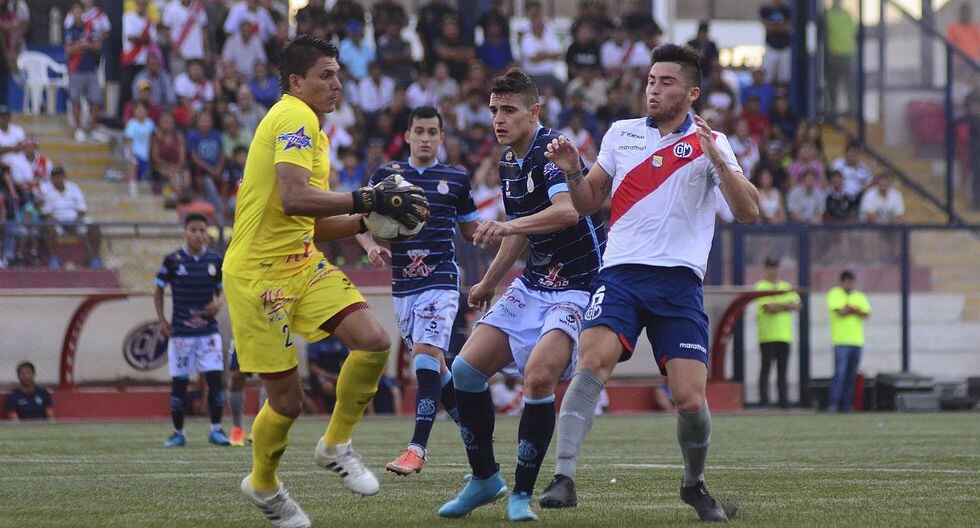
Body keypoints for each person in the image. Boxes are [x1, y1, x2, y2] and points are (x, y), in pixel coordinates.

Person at [541, 44, 758, 521]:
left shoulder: (711, 141)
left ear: (692, 93)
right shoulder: (621, 134)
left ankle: (694, 485)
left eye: (666, 82)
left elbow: (748, 211)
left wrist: (717, 159)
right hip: (621, 273)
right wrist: (574, 169)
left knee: (690, 397)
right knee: (591, 362)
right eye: (651, 81)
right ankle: (563, 477)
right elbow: (587, 202)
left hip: (679, 282)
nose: (654, 90)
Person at [223, 35, 427, 527]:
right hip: (259, 275)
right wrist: (368, 199)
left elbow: (311, 224)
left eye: (338, 74)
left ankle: (335, 445)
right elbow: (294, 197)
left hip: (301, 261)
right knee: (287, 403)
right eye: (326, 75)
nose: (337, 83)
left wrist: (368, 221)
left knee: (374, 342)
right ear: (296, 82)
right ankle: (263, 486)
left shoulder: (315, 131)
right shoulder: (293, 116)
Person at [436, 69, 606, 523]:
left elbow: (567, 213)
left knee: (538, 378)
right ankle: (484, 478)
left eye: (509, 110)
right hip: (534, 283)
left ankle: (521, 495)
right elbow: (522, 233)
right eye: (494, 109)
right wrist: (490, 282)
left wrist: (507, 225)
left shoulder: (552, 152)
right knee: (465, 371)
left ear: (534, 112)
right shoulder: (510, 161)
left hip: (578, 286)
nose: (498, 118)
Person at [355, 106, 479, 476]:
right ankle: (478, 445)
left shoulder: (456, 179)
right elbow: (359, 220)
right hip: (403, 286)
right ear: (407, 136)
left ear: (441, 137)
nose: (425, 138)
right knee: (437, 369)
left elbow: (471, 230)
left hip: (441, 281)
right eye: (419, 131)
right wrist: (370, 246)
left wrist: (505, 231)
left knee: (424, 357)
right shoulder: (387, 177)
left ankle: (416, 449)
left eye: (432, 132)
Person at [154, 213, 229, 447]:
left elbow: (222, 289)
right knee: (180, 383)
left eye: (201, 231)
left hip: (208, 334)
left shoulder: (215, 260)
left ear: (206, 234)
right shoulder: (173, 260)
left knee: (215, 380)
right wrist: (162, 320)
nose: (198, 235)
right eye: (193, 230)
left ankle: (216, 429)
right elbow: (158, 289)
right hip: (182, 336)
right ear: (185, 232)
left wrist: (218, 302)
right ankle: (178, 433)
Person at [754, 258, 800, 408]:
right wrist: (786, 305)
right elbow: (768, 308)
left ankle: (783, 401)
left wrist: (778, 305)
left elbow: (797, 305)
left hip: (784, 335)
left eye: (775, 268)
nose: (773, 271)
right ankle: (764, 401)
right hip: (767, 335)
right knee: (766, 369)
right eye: (770, 268)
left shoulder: (786, 286)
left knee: (783, 370)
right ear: (765, 269)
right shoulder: (761, 286)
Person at [64, 0, 110, 143]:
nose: (78, 14)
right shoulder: (70, 30)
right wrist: (81, 45)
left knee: (95, 100)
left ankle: (93, 129)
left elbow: (97, 46)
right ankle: (78, 129)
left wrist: (83, 45)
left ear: (83, 13)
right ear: (72, 13)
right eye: (75, 11)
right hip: (76, 70)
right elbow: (69, 51)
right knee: (76, 100)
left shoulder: (90, 28)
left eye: (80, 11)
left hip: (90, 70)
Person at [39, 167, 103, 268]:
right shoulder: (45, 189)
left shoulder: (73, 188)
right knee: (48, 228)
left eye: (60, 176)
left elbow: (82, 209)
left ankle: (94, 257)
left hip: (74, 220)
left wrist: (75, 222)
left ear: (64, 177)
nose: (58, 179)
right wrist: (63, 224)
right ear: (51, 178)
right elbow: (46, 213)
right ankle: (53, 257)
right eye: (55, 177)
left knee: (94, 227)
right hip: (56, 221)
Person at [826, 270, 871, 412]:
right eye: (846, 282)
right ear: (842, 282)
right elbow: (840, 312)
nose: (849, 284)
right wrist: (853, 310)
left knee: (851, 376)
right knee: (840, 374)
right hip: (841, 341)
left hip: (856, 341)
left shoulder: (859, 296)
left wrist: (851, 309)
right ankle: (833, 404)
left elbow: (866, 313)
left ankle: (847, 405)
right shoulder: (834, 293)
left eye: (851, 282)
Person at [824, 0, 857, 115]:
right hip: (836, 55)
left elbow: (853, 32)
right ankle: (834, 111)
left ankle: (850, 110)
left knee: (846, 84)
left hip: (845, 54)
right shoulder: (829, 15)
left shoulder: (844, 14)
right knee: (836, 84)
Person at [759, 0, 793, 85]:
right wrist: (779, 26)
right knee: (768, 74)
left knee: (784, 75)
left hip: (785, 46)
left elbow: (787, 26)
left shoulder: (786, 10)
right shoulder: (765, 10)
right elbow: (767, 26)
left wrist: (775, 26)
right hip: (771, 46)